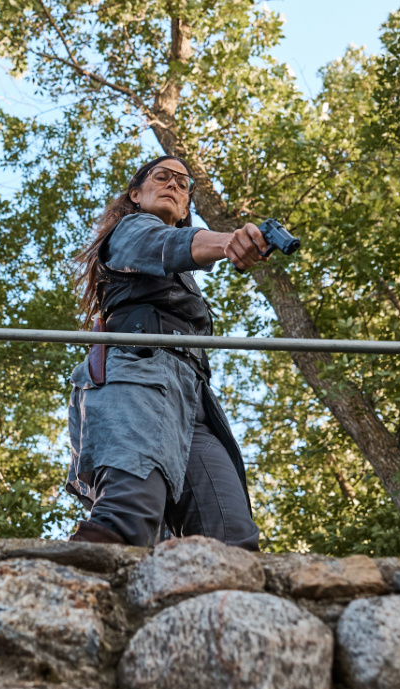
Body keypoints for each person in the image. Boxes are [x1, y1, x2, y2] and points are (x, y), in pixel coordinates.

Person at [65, 155, 269, 549]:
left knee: (233, 541)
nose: (174, 184)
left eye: (183, 182)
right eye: (162, 177)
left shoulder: (184, 272)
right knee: (128, 516)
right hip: (138, 377)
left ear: (187, 204)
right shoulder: (131, 231)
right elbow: (164, 243)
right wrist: (228, 241)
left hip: (194, 402)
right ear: (136, 194)